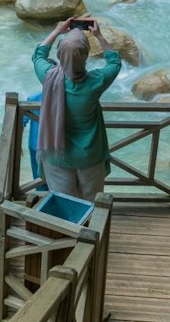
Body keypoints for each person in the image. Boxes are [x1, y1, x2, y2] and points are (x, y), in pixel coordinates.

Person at [33, 17, 122, 199]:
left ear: (59, 54)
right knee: (90, 203)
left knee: (65, 205)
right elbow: (114, 62)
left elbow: (38, 55)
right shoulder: (96, 82)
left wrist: (57, 31)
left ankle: (67, 228)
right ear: (86, 55)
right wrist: (99, 36)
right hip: (90, 156)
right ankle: (89, 228)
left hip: (57, 157)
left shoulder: (48, 77)